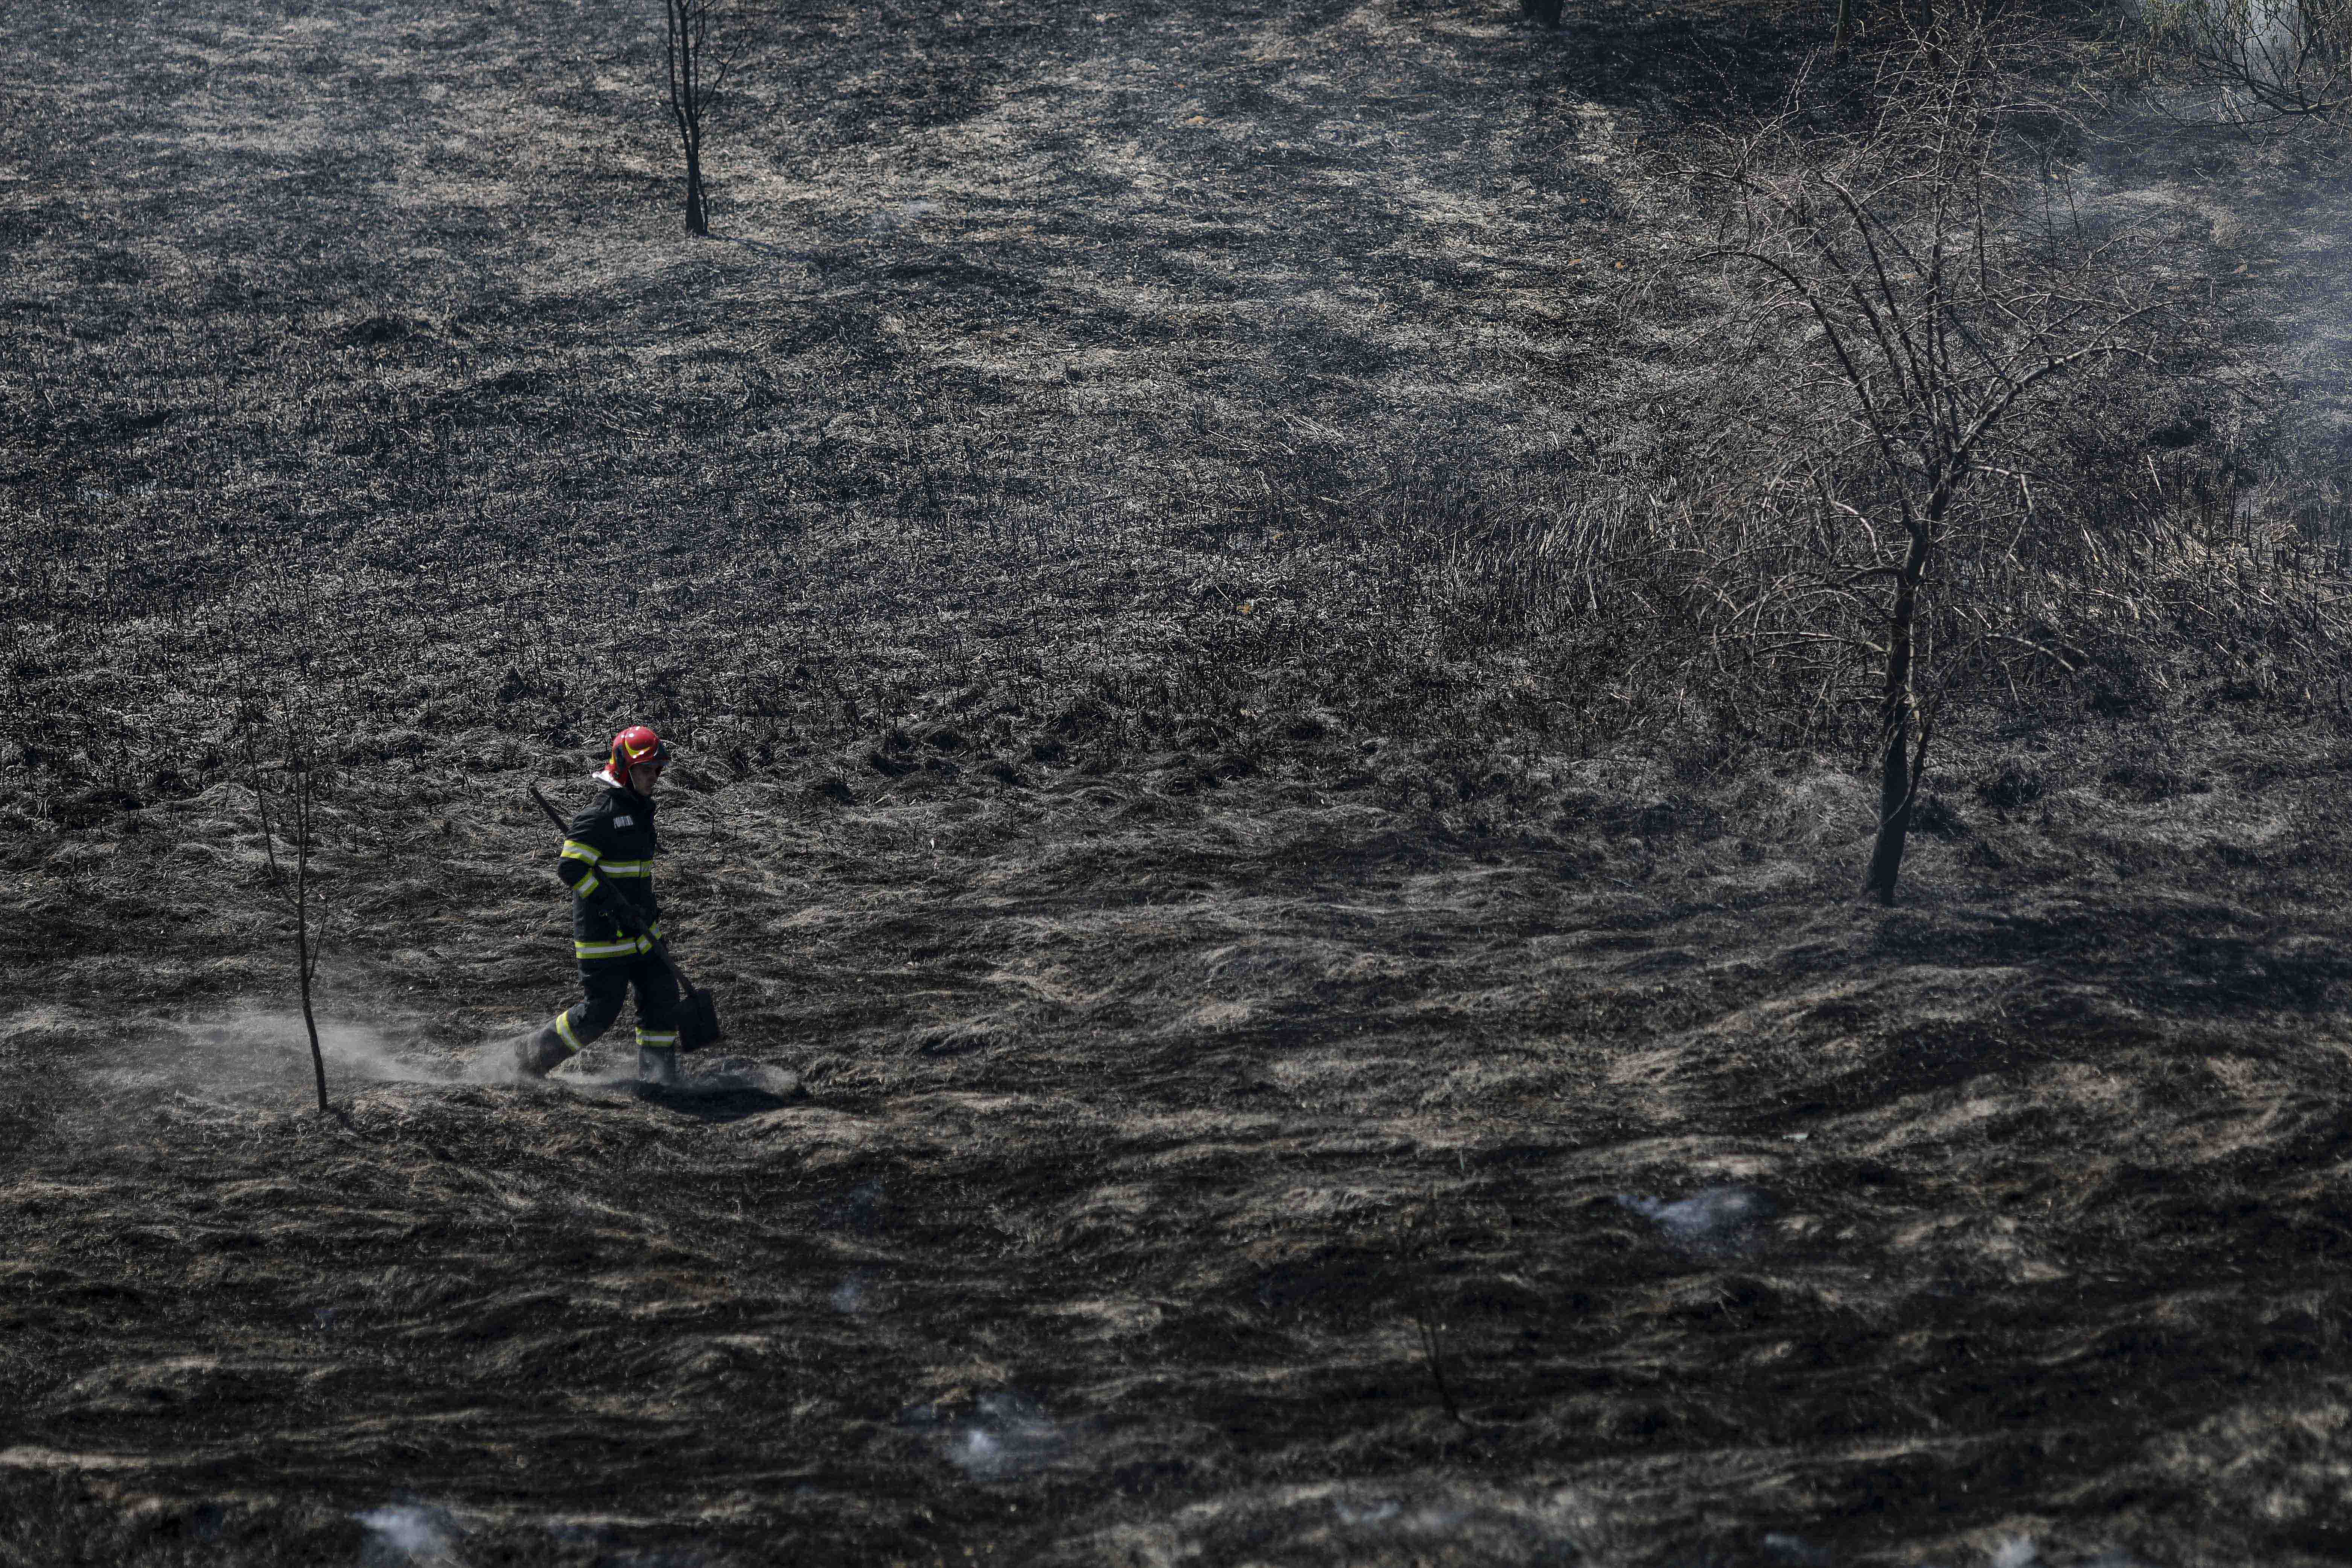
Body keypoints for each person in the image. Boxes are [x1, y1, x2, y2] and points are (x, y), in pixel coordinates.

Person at [516, 725, 683, 1086]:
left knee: (662, 999)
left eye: (656, 770)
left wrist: (644, 913)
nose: (653, 777)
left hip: (643, 934)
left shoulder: (640, 813)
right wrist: (616, 908)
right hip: (604, 938)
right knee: (600, 1013)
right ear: (624, 770)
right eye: (645, 770)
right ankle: (529, 1055)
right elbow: (571, 868)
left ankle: (660, 1080)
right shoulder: (599, 817)